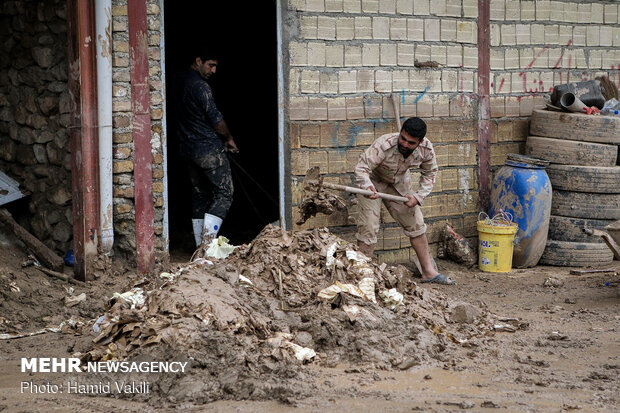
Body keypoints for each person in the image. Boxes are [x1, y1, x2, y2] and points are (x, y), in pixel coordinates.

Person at [354, 117, 455, 285]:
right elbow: (361, 168)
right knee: (369, 226)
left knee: (416, 223)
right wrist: (367, 186)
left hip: (398, 183)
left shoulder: (426, 149)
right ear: (400, 133)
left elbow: (430, 173)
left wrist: (418, 196)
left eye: (411, 143)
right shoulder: (383, 144)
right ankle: (361, 275)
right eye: (403, 139)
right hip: (372, 181)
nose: (405, 144)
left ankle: (428, 272)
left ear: (420, 142)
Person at [173, 45, 239, 247]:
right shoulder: (201, 87)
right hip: (208, 149)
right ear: (198, 61)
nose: (214, 71)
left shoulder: (177, 80)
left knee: (200, 196)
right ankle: (209, 247)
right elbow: (217, 121)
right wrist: (228, 139)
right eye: (211, 65)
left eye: (216, 66)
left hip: (187, 149)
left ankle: (199, 249)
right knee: (225, 193)